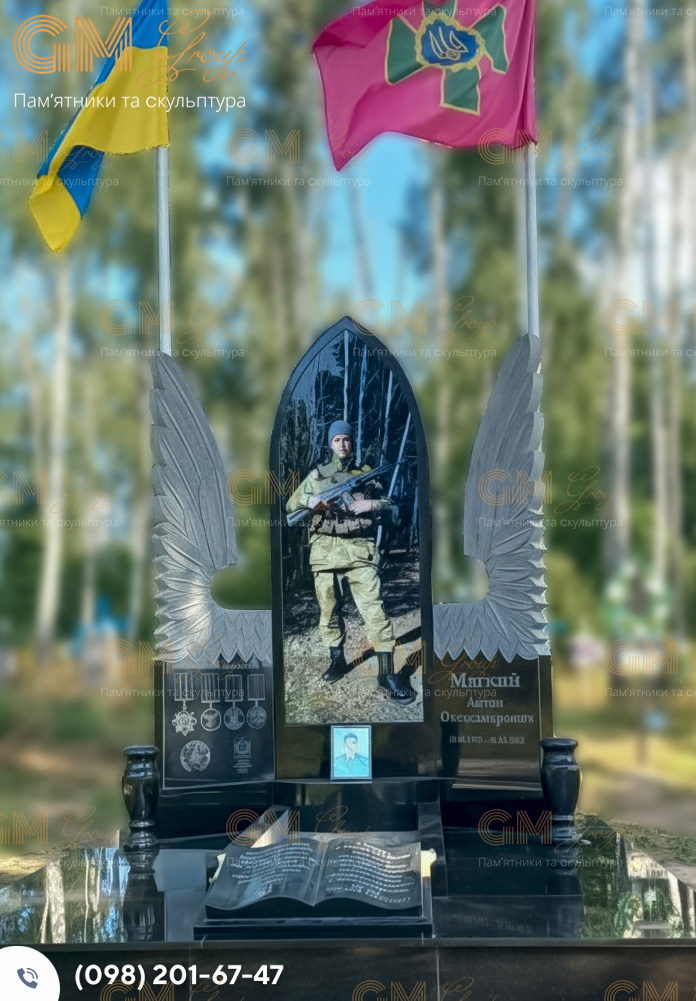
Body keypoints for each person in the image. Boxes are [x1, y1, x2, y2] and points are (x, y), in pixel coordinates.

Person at [286, 419, 416, 704]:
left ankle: (386, 673)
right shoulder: (317, 476)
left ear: (352, 442)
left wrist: (371, 504)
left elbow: (393, 508)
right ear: (330, 444)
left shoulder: (367, 475)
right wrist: (310, 501)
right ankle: (337, 661)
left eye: (346, 439)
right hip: (325, 556)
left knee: (375, 612)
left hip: (360, 553)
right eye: (337, 440)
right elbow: (290, 505)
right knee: (329, 612)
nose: (342, 444)